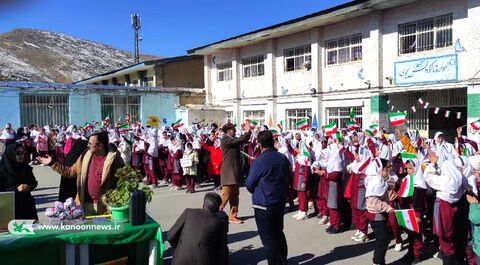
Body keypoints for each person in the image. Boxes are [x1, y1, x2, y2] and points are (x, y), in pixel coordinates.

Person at [37, 131, 125, 215]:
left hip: (104, 208)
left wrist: (113, 202)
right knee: (86, 229)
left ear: (100, 146)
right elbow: (70, 172)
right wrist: (52, 163)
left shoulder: (114, 160)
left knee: (101, 229)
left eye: (90, 144)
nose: (87, 145)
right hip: (84, 206)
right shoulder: (84, 157)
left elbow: (121, 184)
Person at [245, 131, 290, 265]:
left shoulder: (260, 161)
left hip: (264, 204)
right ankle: (282, 261)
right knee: (278, 234)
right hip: (279, 201)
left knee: (269, 239)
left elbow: (249, 184)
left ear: (260, 145)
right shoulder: (283, 158)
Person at [167, 192, 228, 265]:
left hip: (180, 260)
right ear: (218, 209)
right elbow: (221, 250)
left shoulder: (188, 212)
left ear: (203, 205)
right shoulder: (219, 223)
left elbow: (170, 235)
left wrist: (181, 247)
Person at [220, 121, 252, 224]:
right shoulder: (225, 139)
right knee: (226, 195)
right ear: (228, 131)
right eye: (233, 129)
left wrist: (247, 132)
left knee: (235, 196)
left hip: (235, 172)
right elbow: (241, 139)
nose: (234, 130)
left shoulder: (232, 139)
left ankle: (233, 215)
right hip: (228, 172)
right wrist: (246, 131)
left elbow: (242, 140)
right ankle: (214, 214)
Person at [0, 143, 38, 220]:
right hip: (10, 207)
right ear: (11, 154)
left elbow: (34, 182)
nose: (22, 156)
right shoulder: (2, 171)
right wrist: (16, 189)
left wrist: (29, 186)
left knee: (30, 230)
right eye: (18, 153)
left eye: (23, 152)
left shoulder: (25, 168)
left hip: (27, 205)